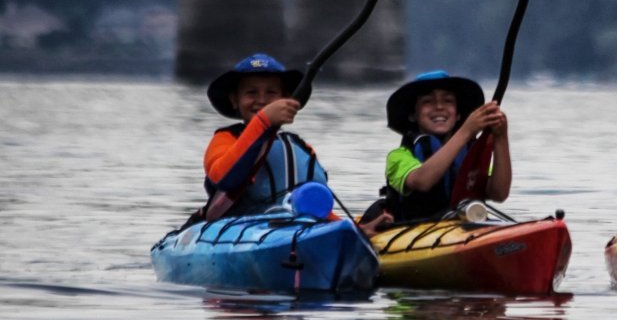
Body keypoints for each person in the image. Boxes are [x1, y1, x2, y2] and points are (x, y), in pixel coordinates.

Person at [199, 53, 390, 235]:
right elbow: (225, 179)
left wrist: (354, 230)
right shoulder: (224, 139)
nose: (262, 100)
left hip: (298, 230)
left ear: (285, 98)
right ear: (235, 100)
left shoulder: (300, 147)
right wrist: (264, 121)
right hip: (241, 231)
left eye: (271, 92)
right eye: (251, 92)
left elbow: (313, 205)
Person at [368, 70, 512, 223]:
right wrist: (467, 131)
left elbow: (499, 193)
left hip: (467, 230)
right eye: (428, 101)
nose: (439, 107)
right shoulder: (398, 156)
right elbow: (422, 182)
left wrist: (500, 137)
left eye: (448, 101)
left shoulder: (471, 155)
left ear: (458, 115)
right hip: (415, 234)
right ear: (413, 115)